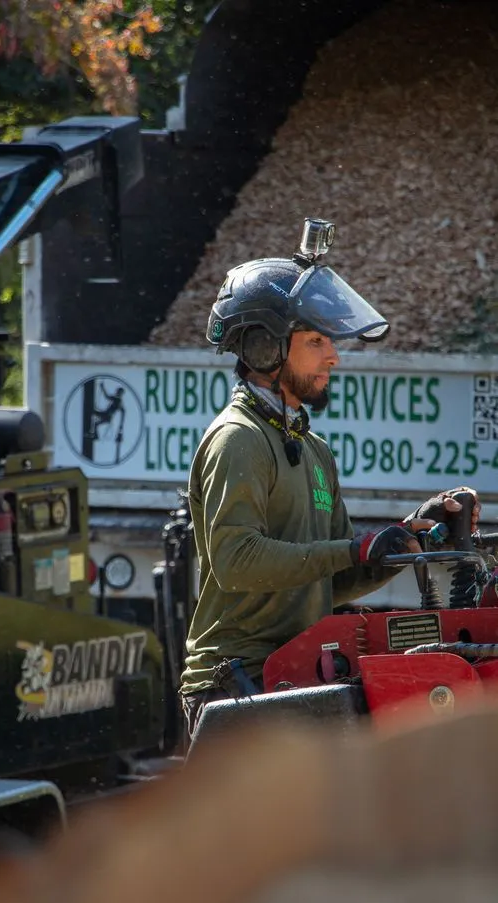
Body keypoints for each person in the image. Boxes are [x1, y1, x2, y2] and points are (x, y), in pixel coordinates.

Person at [180, 226, 480, 738]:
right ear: (263, 348)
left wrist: (409, 537)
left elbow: (336, 579)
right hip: (238, 682)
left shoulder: (313, 448)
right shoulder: (239, 439)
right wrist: (354, 547)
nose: (333, 356)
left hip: (300, 671)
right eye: (315, 341)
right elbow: (235, 562)